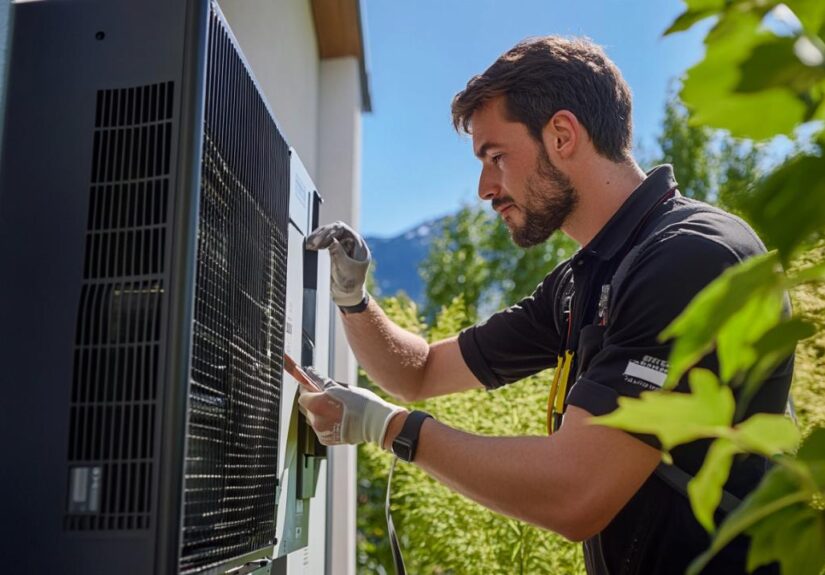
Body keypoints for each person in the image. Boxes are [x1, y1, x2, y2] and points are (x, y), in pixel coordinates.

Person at [298, 37, 792, 574]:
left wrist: (390, 429)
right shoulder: (584, 280)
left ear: (561, 135)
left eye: (495, 157)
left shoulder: (690, 259)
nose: (485, 188)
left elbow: (575, 493)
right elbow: (417, 372)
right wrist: (352, 295)